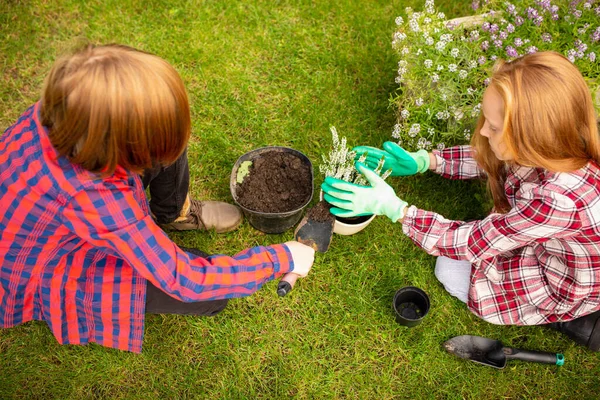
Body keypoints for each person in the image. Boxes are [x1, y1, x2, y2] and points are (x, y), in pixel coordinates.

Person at [0, 44, 315, 353]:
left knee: (165, 145)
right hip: (52, 265)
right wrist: (281, 258)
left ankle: (174, 213)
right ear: (117, 146)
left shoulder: (67, 109)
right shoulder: (97, 199)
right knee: (213, 296)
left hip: (52, 220)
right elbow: (188, 280)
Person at [322, 51, 600, 351]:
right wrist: (425, 161)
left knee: (450, 270)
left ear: (531, 136)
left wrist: (395, 209)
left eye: (494, 128)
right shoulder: (557, 143)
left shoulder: (557, 201)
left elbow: (470, 243)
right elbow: (491, 158)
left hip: (564, 275)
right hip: (543, 236)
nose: (482, 130)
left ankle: (568, 315)